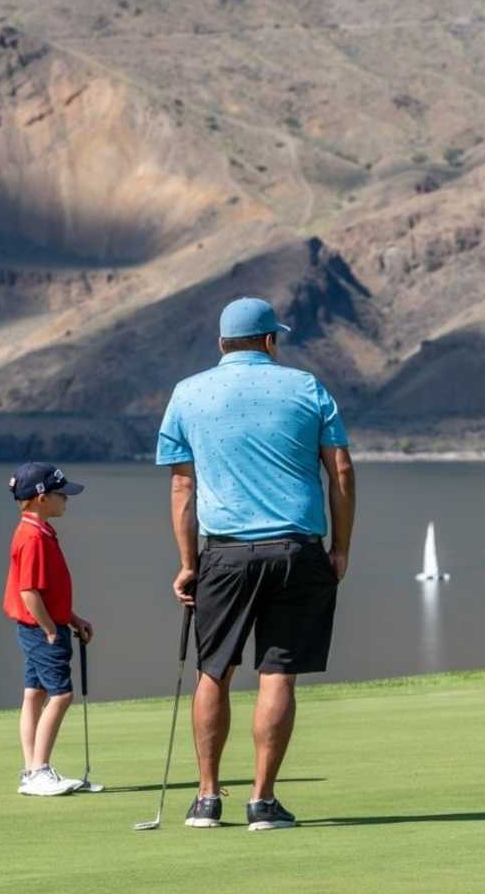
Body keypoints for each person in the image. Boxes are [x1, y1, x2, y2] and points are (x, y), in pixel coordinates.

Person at [156, 296, 356, 831]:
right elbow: (340, 471)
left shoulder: (188, 393)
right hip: (297, 551)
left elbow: (182, 487)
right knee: (278, 674)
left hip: (222, 553)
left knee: (214, 670)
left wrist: (186, 562)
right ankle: (262, 802)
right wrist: (341, 548)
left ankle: (205, 799)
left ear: (222, 344)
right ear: (271, 341)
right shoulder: (307, 387)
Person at [2, 462, 95, 797]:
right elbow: (29, 592)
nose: (66, 500)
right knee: (61, 694)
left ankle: (32, 771)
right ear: (41, 497)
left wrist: (73, 618)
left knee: (35, 694)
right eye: (60, 494)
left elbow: (49, 590)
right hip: (42, 629)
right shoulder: (32, 537)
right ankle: (39, 770)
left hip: (44, 625)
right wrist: (51, 630)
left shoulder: (39, 531)